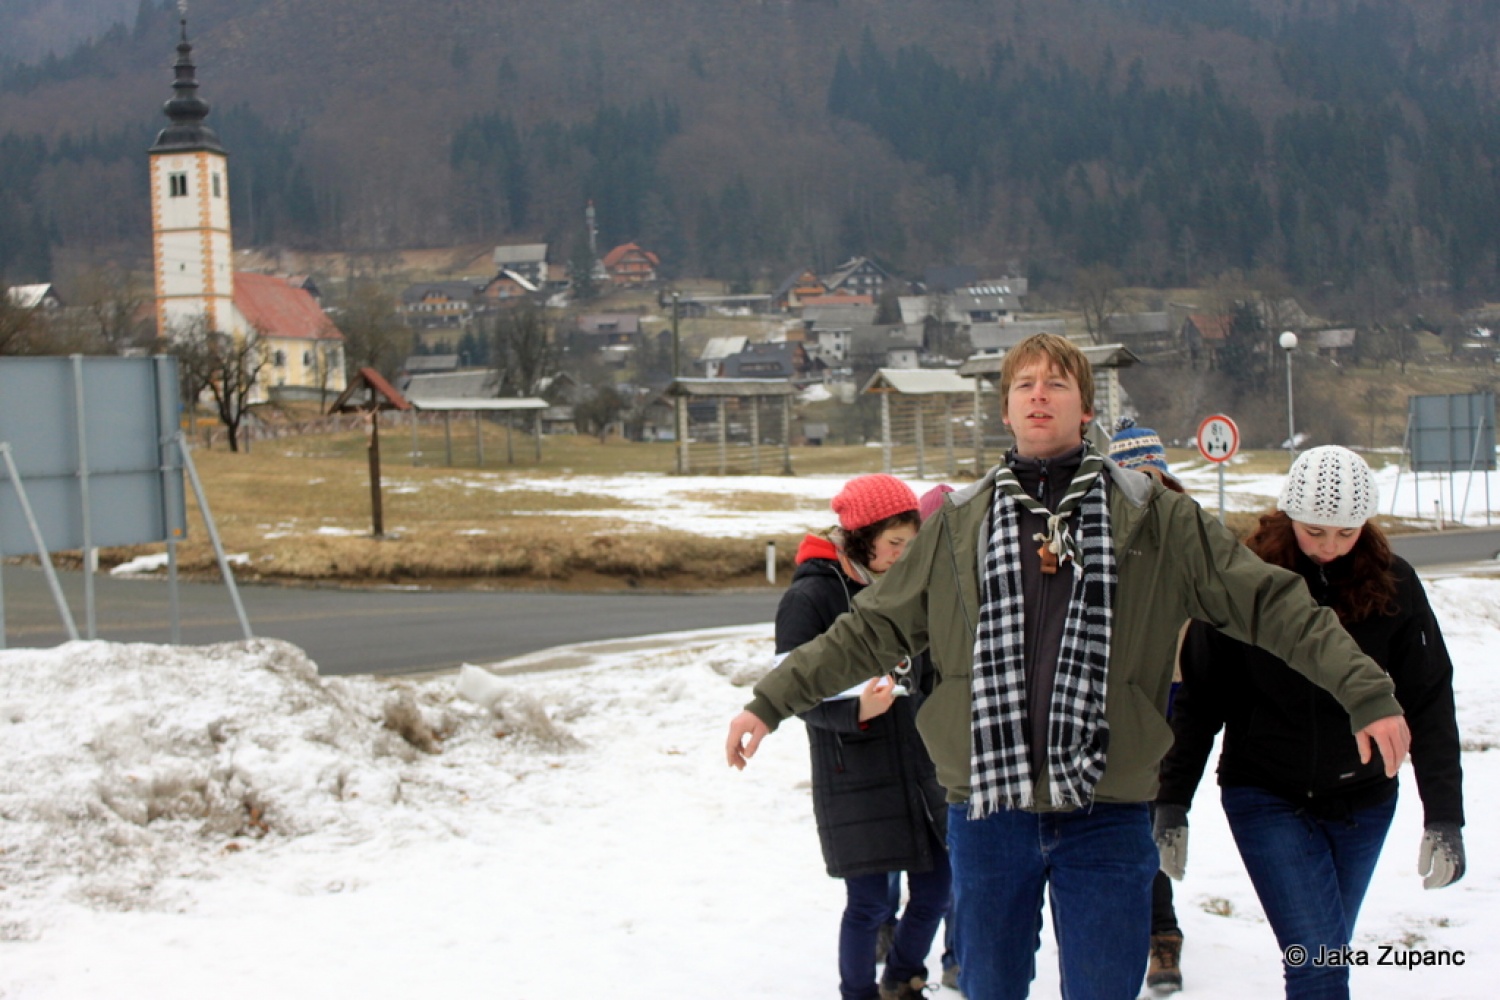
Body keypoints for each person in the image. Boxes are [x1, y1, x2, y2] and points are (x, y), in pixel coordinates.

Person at [725, 333, 1411, 1000]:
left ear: (1086, 409)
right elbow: (871, 629)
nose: (1039, 395)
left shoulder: (1153, 516)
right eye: (1024, 384)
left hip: (1107, 808)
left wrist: (1367, 692)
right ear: (1005, 409)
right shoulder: (959, 523)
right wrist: (771, 700)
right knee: (990, 987)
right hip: (990, 810)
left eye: (1057, 383)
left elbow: (1271, 602)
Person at [1154, 445, 1465, 999]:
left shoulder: (1396, 585)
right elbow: (1200, 700)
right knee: (1319, 962)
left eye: (1345, 533)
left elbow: (1430, 700)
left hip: (1364, 802)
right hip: (1265, 794)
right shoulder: (1241, 581)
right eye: (1315, 531)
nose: (1328, 548)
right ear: (1288, 515)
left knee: (1324, 953)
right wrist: (1172, 802)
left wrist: (1444, 816)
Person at [775, 473, 951, 1000]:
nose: (904, 555)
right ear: (859, 536)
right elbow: (790, 688)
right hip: (855, 772)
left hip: (922, 765)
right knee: (871, 904)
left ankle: (902, 977)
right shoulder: (810, 596)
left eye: (910, 544)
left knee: (940, 887)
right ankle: (857, 993)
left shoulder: (905, 586)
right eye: (895, 544)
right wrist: (854, 710)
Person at [1107, 419, 1186, 996]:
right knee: (1129, 821)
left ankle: (1163, 937)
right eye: (1130, 475)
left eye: (1149, 473)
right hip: (1120, 695)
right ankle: (1137, 929)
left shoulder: (1188, 529)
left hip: (1181, 693)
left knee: (1157, 818)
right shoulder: (1099, 528)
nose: (1142, 484)